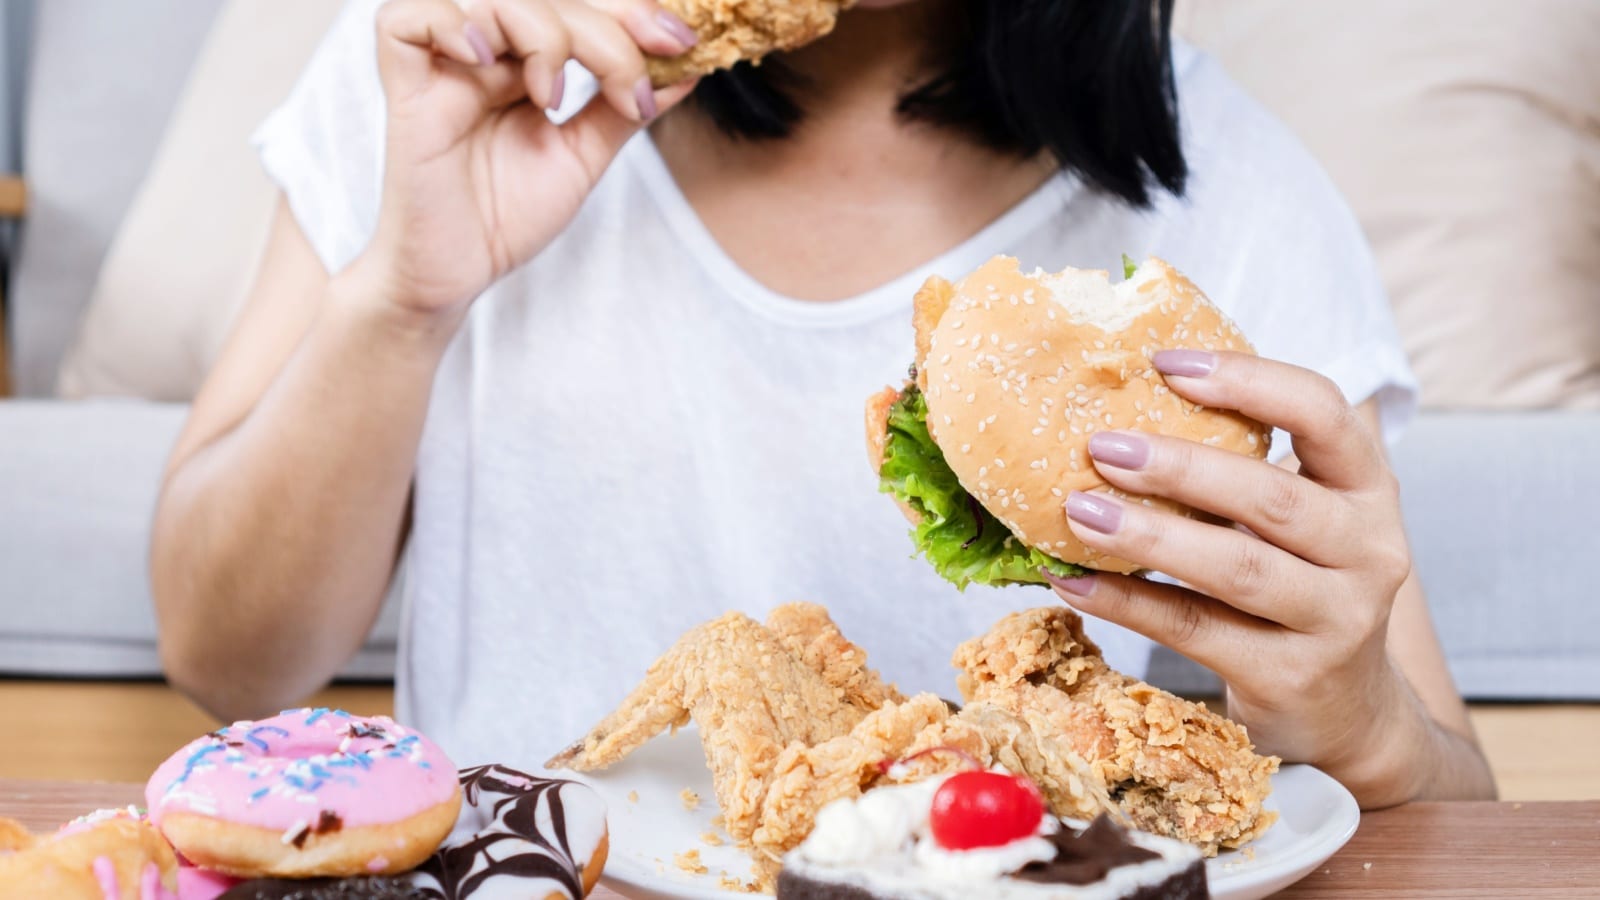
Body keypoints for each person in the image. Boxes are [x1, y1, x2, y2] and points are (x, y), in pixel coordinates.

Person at [150, 0, 1495, 807]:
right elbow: (227, 659)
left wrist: (1362, 721)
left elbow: (1451, 786)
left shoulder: (1232, 192)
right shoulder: (449, 63)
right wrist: (401, 299)